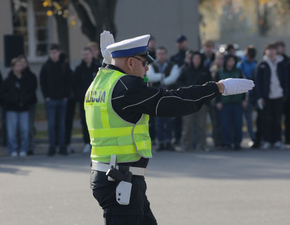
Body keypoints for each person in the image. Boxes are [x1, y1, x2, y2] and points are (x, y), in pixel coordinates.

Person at [86, 31, 254, 225]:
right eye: (144, 63)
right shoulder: (126, 86)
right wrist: (217, 88)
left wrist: (110, 62)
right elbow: (172, 101)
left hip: (112, 176)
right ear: (130, 63)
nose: (147, 69)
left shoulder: (101, 81)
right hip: (120, 179)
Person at [40, 44, 72, 156]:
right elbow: (42, 82)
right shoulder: (46, 66)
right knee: (51, 125)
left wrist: (65, 96)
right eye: (51, 53)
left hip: (62, 99)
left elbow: (69, 81)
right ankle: (52, 147)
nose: (53, 55)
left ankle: (62, 146)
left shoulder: (64, 65)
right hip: (51, 100)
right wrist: (46, 96)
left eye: (55, 53)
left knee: (62, 124)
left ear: (58, 52)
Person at [255, 43, 289, 149]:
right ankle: (267, 140)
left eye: (273, 49)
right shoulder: (261, 65)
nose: (271, 52)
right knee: (266, 119)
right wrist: (260, 97)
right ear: (265, 51)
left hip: (278, 95)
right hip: (267, 97)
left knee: (277, 119)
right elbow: (257, 82)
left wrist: (285, 94)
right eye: (269, 49)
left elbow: (286, 80)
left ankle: (277, 140)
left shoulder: (281, 63)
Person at [146, 46, 180, 151]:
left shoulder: (173, 65)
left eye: (163, 53)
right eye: (159, 53)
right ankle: (161, 143)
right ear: (156, 55)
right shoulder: (151, 66)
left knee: (169, 121)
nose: (161, 55)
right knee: (158, 122)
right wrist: (163, 76)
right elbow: (150, 77)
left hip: (169, 97)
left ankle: (168, 142)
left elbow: (173, 78)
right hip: (156, 98)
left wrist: (162, 80)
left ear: (166, 54)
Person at [178, 52, 212, 151]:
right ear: (191, 60)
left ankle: (203, 145)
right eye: (194, 58)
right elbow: (179, 82)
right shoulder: (186, 70)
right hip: (188, 102)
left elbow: (211, 86)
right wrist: (186, 90)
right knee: (188, 125)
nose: (196, 60)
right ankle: (186, 145)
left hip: (202, 103)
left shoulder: (205, 71)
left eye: (198, 58)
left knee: (201, 125)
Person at [1, 58, 36, 157]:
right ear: (13, 67)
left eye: (21, 65)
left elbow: (30, 92)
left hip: (24, 108)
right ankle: (13, 149)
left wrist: (24, 99)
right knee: (12, 131)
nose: (20, 67)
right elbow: (3, 93)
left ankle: (23, 149)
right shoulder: (8, 80)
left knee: (24, 130)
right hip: (11, 109)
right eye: (18, 65)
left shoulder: (25, 79)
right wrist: (12, 99)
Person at [215, 54, 247, 150]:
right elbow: (215, 89)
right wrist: (218, 101)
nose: (231, 63)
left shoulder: (238, 72)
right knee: (225, 124)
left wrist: (244, 99)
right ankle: (227, 142)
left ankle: (237, 142)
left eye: (232, 61)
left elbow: (243, 86)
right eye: (229, 61)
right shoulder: (219, 73)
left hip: (237, 102)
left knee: (238, 123)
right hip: (225, 103)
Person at [74, 47, 100, 153]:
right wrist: (80, 96)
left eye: (87, 54)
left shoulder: (98, 67)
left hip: (97, 100)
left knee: (97, 121)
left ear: (91, 54)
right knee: (85, 122)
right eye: (83, 55)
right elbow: (75, 85)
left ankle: (97, 142)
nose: (85, 57)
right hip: (84, 101)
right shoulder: (79, 69)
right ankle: (86, 143)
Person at [236, 45, 257, 146]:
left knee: (254, 118)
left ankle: (255, 138)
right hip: (245, 94)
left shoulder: (255, 64)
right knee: (247, 118)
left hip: (254, 94)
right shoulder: (240, 65)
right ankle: (251, 137)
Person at [18, 54, 38, 155]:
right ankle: (20, 147)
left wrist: (24, 99)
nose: (22, 64)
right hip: (17, 105)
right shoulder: (14, 76)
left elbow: (31, 90)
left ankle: (30, 147)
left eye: (24, 62)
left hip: (29, 104)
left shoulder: (31, 76)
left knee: (29, 127)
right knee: (20, 128)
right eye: (20, 63)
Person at [276, 41, 290, 144]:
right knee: (276, 118)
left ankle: (287, 137)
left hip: (286, 94)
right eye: (281, 47)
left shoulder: (288, 60)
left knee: (288, 118)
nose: (283, 49)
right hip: (275, 94)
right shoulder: (272, 61)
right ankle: (277, 138)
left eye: (284, 47)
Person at [210, 51, 225, 148]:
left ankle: (224, 140)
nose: (220, 60)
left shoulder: (226, 70)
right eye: (218, 58)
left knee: (224, 122)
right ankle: (217, 141)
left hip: (224, 100)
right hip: (214, 100)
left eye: (222, 58)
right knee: (216, 122)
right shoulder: (213, 71)